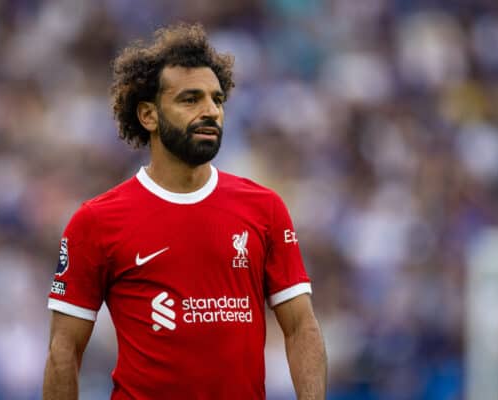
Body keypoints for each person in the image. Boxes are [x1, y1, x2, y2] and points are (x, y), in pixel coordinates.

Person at [43, 22, 327, 400]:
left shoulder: (265, 208)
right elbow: (64, 351)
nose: (210, 111)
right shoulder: (96, 222)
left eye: (217, 99)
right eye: (190, 100)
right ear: (148, 116)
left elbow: (301, 327)